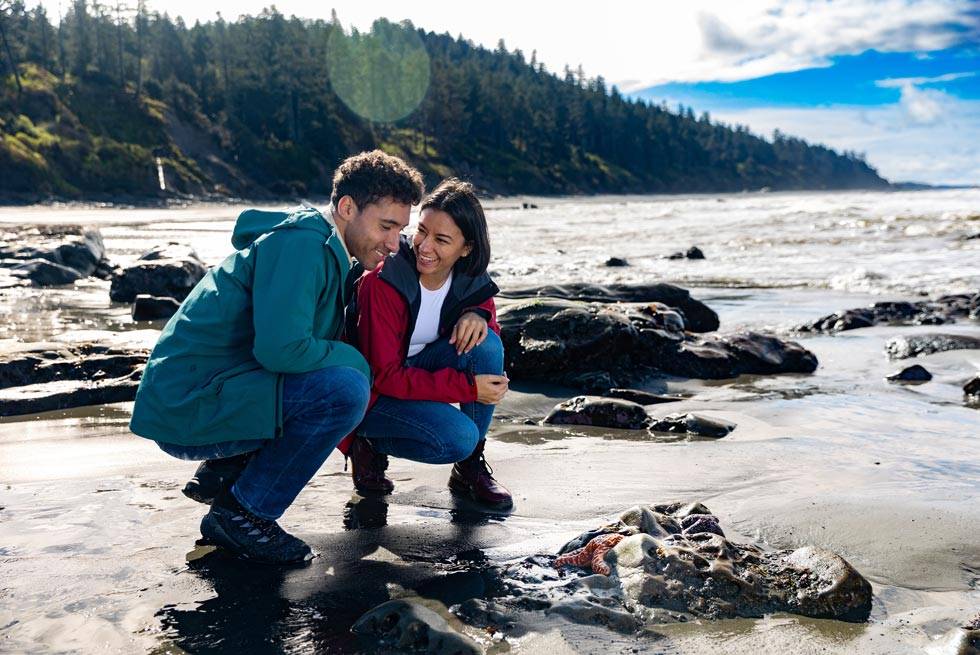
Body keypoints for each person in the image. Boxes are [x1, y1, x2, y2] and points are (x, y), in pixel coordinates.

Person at [129, 150, 424, 564]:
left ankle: (229, 468)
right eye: (386, 226)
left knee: (337, 378)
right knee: (345, 389)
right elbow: (281, 349)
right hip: (186, 404)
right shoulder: (302, 247)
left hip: (208, 390)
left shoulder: (324, 247)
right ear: (346, 208)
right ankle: (244, 514)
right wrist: (357, 361)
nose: (394, 243)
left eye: (401, 230)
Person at [346, 178, 513, 509]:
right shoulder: (384, 280)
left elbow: (487, 319)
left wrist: (478, 316)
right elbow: (385, 376)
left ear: (466, 249)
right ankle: (367, 441)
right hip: (372, 393)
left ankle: (469, 469)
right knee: (458, 437)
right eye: (421, 231)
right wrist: (468, 389)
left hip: (417, 372)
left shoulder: (470, 280)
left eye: (442, 240)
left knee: (487, 346)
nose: (424, 246)